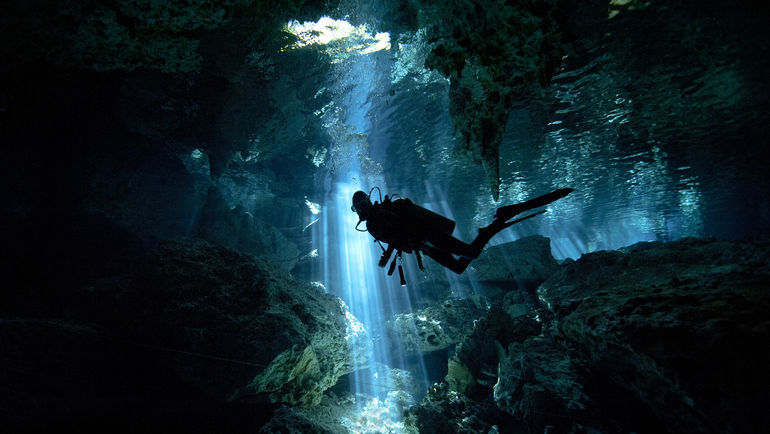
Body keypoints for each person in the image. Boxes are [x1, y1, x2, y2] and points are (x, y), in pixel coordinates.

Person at [351, 187, 573, 278]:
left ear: (365, 203)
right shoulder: (375, 220)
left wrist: (391, 254)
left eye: (360, 206)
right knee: (459, 267)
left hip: (428, 238)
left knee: (471, 253)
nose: (360, 210)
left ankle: (498, 221)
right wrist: (392, 254)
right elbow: (396, 236)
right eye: (358, 207)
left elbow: (400, 231)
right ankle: (492, 227)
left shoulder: (376, 218)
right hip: (425, 245)